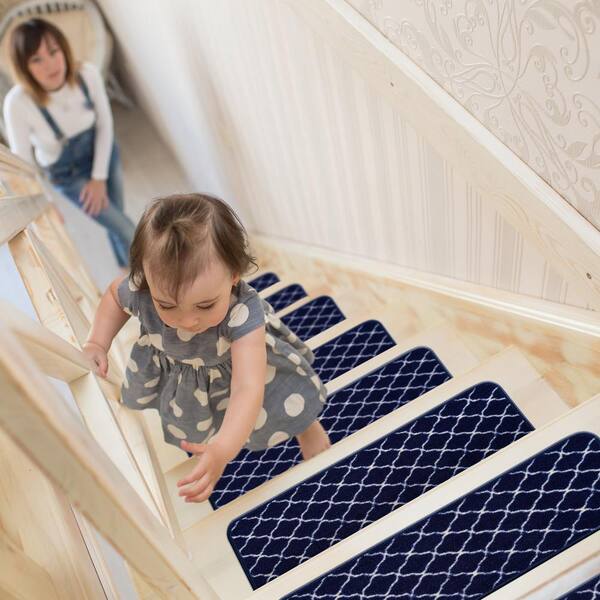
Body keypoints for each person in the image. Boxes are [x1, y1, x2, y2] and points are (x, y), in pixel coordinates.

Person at [83, 193, 331, 503]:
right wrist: (97, 341)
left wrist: (224, 449)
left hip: (248, 371)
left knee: (281, 399)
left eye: (205, 305)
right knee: (195, 418)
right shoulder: (143, 288)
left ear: (234, 276)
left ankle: (306, 426)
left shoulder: (243, 312)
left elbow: (247, 388)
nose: (187, 321)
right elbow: (113, 297)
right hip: (186, 377)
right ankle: (207, 440)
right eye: (167, 305)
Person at [3, 18, 135, 269]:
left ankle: (128, 267)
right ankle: (147, 275)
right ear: (24, 67)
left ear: (63, 49)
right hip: (69, 175)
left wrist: (98, 177)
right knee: (128, 229)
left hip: (104, 155)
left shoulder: (87, 74)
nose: (50, 64)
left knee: (117, 219)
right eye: (36, 59)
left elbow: (105, 124)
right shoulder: (18, 103)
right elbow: (24, 166)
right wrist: (48, 204)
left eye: (54, 52)